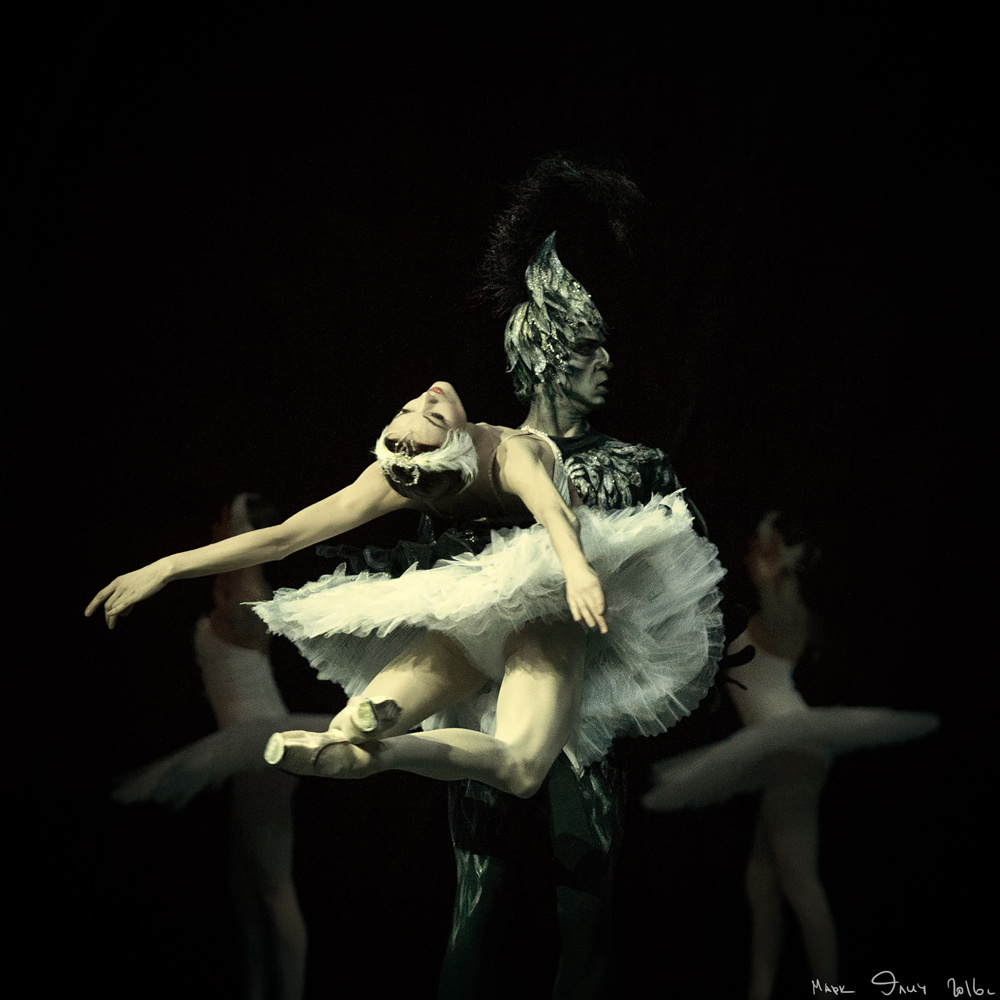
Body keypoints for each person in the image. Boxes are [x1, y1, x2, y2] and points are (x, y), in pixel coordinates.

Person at [87, 377, 725, 806]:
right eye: (426, 412)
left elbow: (281, 539)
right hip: (530, 608)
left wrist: (165, 566)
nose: (426, 397)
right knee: (522, 765)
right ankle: (380, 752)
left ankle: (359, 746)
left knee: (358, 726)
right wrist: (580, 571)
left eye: (416, 409)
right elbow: (283, 537)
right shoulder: (486, 456)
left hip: (492, 607)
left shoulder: (434, 468)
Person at [643, 512, 939, 999]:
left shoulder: (785, 614)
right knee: (762, 882)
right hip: (782, 753)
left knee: (800, 883)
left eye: (765, 549)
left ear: (783, 560)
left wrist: (778, 569)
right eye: (754, 547)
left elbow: (781, 621)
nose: (752, 554)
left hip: (792, 750)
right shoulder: (749, 615)